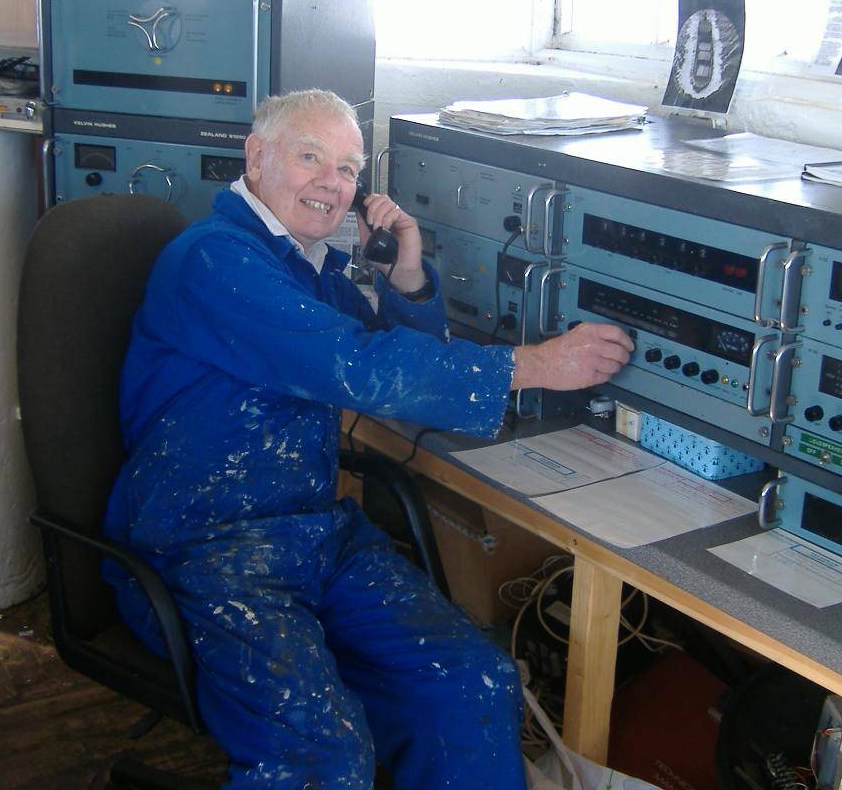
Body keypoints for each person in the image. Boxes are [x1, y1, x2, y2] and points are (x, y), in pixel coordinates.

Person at [102, 89, 634, 789]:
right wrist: (535, 364)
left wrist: (405, 274)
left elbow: (388, 358)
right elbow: (356, 368)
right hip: (203, 548)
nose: (332, 182)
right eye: (311, 157)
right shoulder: (213, 260)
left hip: (314, 536)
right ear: (256, 157)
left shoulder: (309, 268)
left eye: (349, 169)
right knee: (322, 752)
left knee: (473, 681)